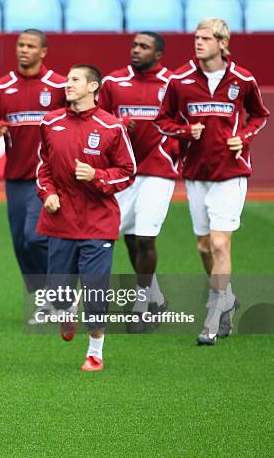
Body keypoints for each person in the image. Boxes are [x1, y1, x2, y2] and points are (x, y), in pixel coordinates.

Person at [155, 18, 269, 345]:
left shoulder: (242, 79)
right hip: (195, 172)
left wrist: (243, 137)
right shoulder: (179, 80)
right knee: (204, 246)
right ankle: (226, 296)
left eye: (206, 38)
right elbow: (163, 120)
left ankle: (214, 315)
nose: (199, 42)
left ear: (222, 42)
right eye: (197, 37)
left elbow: (259, 115)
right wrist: (184, 131)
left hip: (231, 172)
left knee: (220, 243)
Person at [36, 65, 136, 371]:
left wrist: (97, 176)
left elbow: (128, 171)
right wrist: (48, 194)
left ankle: (95, 352)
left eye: (75, 80)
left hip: (98, 223)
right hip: (60, 221)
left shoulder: (112, 127)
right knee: (59, 293)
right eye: (67, 80)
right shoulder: (50, 122)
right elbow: (43, 168)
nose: (68, 85)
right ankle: (66, 310)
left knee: (95, 290)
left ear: (93, 86)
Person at [98, 32, 179, 333]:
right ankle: (156, 297)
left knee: (145, 238)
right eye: (134, 45)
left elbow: (182, 122)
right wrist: (117, 126)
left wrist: (173, 150)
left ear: (158, 55)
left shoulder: (173, 83)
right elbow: (99, 119)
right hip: (123, 170)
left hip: (157, 170)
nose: (136, 50)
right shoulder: (113, 83)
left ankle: (142, 305)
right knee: (129, 238)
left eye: (144, 47)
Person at [0, 29, 66, 310]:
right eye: (20, 45)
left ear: (43, 52)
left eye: (30, 46)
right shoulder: (2, 87)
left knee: (34, 236)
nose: (23, 50)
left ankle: (58, 292)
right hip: (16, 176)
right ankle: (42, 296)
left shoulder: (59, 86)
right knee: (20, 242)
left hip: (49, 177)